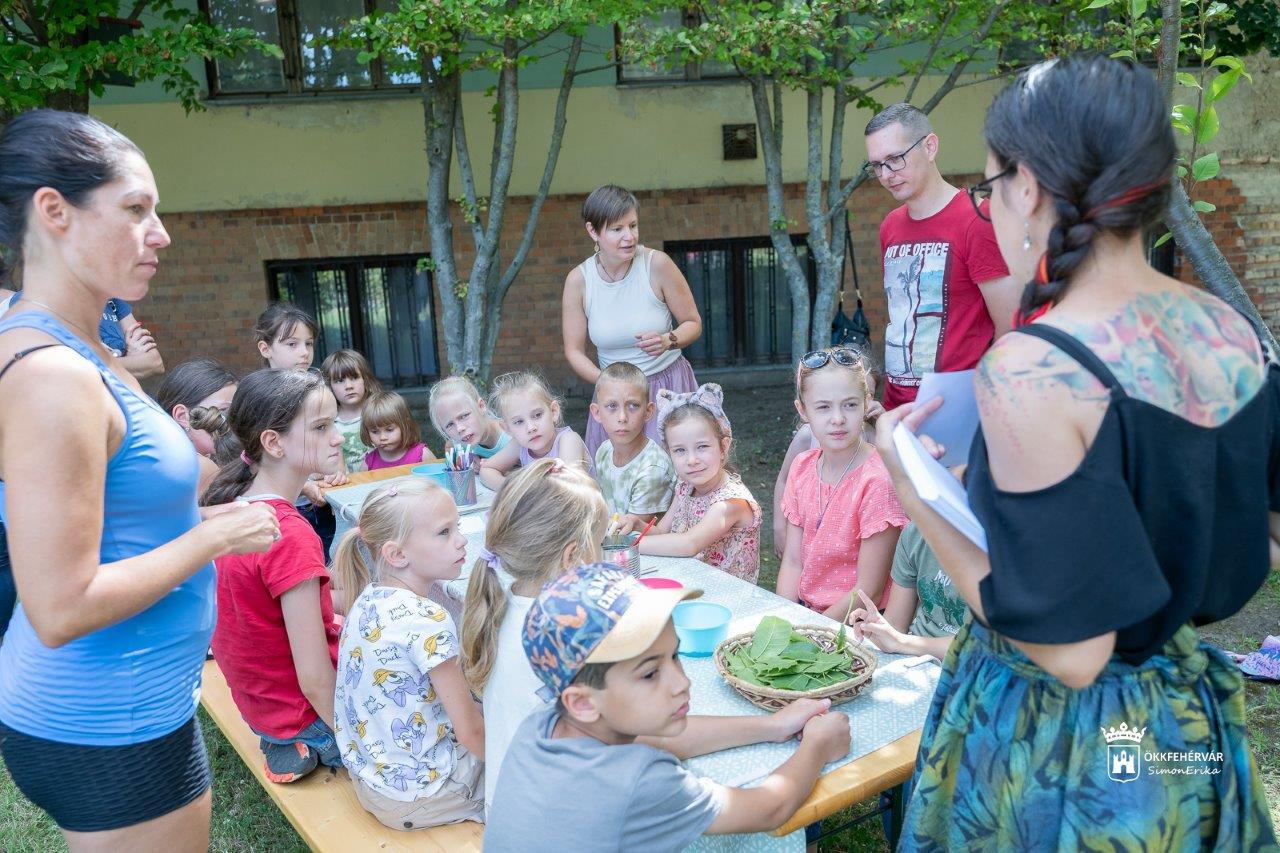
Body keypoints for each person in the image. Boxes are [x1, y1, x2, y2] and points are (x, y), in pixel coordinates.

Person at [877, 57, 1278, 849]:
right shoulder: (1235, 330)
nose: (988, 203)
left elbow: (1071, 650)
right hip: (1185, 721)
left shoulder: (1034, 368)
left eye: (988, 185)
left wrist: (917, 493)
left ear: (1027, 187)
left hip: (1070, 752)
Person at [0, 110, 278, 847]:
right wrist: (213, 536)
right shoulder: (52, 373)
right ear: (53, 211)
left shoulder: (76, 342)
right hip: (106, 718)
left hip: (130, 702)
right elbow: (61, 604)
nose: (161, 233)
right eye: (135, 209)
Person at [484, 563, 852, 851]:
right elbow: (769, 809)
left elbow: (661, 739)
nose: (681, 681)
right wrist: (817, 746)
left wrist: (772, 726)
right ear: (582, 702)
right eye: (649, 674)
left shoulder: (542, 724)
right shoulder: (640, 780)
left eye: (674, 656)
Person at [203, 369, 345, 784]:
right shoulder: (291, 533)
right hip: (309, 717)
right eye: (321, 427)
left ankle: (285, 743)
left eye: (334, 423)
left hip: (263, 711)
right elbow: (317, 680)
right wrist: (360, 741)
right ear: (273, 442)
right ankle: (310, 745)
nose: (336, 437)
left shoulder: (232, 507)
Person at [331, 479, 486, 829]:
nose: (461, 540)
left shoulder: (367, 598)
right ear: (397, 554)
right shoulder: (428, 620)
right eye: (444, 532)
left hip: (374, 779)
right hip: (424, 795)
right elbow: (471, 733)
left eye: (457, 527)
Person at [864, 103, 1018, 410]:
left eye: (895, 159)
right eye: (877, 165)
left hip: (959, 408)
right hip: (897, 408)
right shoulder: (890, 226)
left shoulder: (977, 218)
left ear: (930, 146)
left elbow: (1010, 328)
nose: (886, 174)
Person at [561, 184, 703, 456]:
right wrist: (607, 383)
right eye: (617, 229)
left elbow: (692, 323)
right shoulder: (579, 281)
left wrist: (668, 340)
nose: (629, 236)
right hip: (615, 396)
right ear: (593, 231)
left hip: (666, 387)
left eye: (633, 226)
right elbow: (574, 350)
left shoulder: (657, 264)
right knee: (617, 476)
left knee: (676, 472)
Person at [776, 347, 907, 618]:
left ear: (866, 402)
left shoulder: (878, 480)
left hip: (857, 621)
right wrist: (785, 619)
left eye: (849, 405)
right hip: (807, 613)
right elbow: (792, 562)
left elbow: (868, 589)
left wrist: (810, 631)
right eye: (823, 407)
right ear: (802, 409)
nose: (837, 419)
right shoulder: (802, 467)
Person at [637, 384, 761, 583]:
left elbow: (689, 544)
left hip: (727, 599)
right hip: (689, 585)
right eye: (680, 450)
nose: (692, 460)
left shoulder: (731, 502)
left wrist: (631, 544)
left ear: (723, 446)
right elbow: (661, 531)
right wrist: (638, 525)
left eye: (702, 447)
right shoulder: (685, 486)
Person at [251, 303, 346, 553]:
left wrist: (337, 468)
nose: (304, 352)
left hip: (323, 504)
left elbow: (332, 434)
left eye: (309, 343)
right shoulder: (259, 397)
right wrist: (305, 486)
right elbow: (249, 459)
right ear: (265, 348)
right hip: (283, 509)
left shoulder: (316, 385)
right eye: (292, 344)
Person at [845, 524, 965, 661]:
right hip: (910, 654)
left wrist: (901, 642)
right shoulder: (916, 533)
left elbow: (986, 650)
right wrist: (877, 628)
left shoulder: (992, 549)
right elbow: (895, 624)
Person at [590, 361, 676, 532]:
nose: (622, 417)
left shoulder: (653, 468)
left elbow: (629, 534)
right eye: (612, 406)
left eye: (633, 406)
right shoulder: (604, 450)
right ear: (597, 413)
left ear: (649, 411)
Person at [477, 371, 591, 490]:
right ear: (507, 429)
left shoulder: (568, 440)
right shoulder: (519, 445)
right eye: (519, 422)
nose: (531, 428)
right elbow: (487, 470)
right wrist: (514, 489)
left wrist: (525, 490)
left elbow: (567, 487)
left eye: (537, 415)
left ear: (553, 411)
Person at [155, 357, 239, 494]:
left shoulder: (163, 455)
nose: (234, 420)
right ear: (182, 416)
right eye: (223, 410)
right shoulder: (200, 466)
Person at [322, 348, 382, 474]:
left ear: (365, 379)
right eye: (339, 381)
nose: (349, 386)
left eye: (354, 377)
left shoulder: (381, 412)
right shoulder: (328, 423)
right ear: (329, 386)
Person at [428, 375, 510, 464]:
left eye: (464, 416)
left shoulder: (511, 436)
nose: (459, 428)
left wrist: (496, 468)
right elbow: (449, 445)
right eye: (450, 425)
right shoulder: (462, 441)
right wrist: (467, 458)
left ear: (481, 406)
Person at [361, 390, 432, 471]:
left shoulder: (423, 455)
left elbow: (440, 481)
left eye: (389, 430)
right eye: (375, 431)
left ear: (405, 424)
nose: (382, 437)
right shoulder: (368, 463)